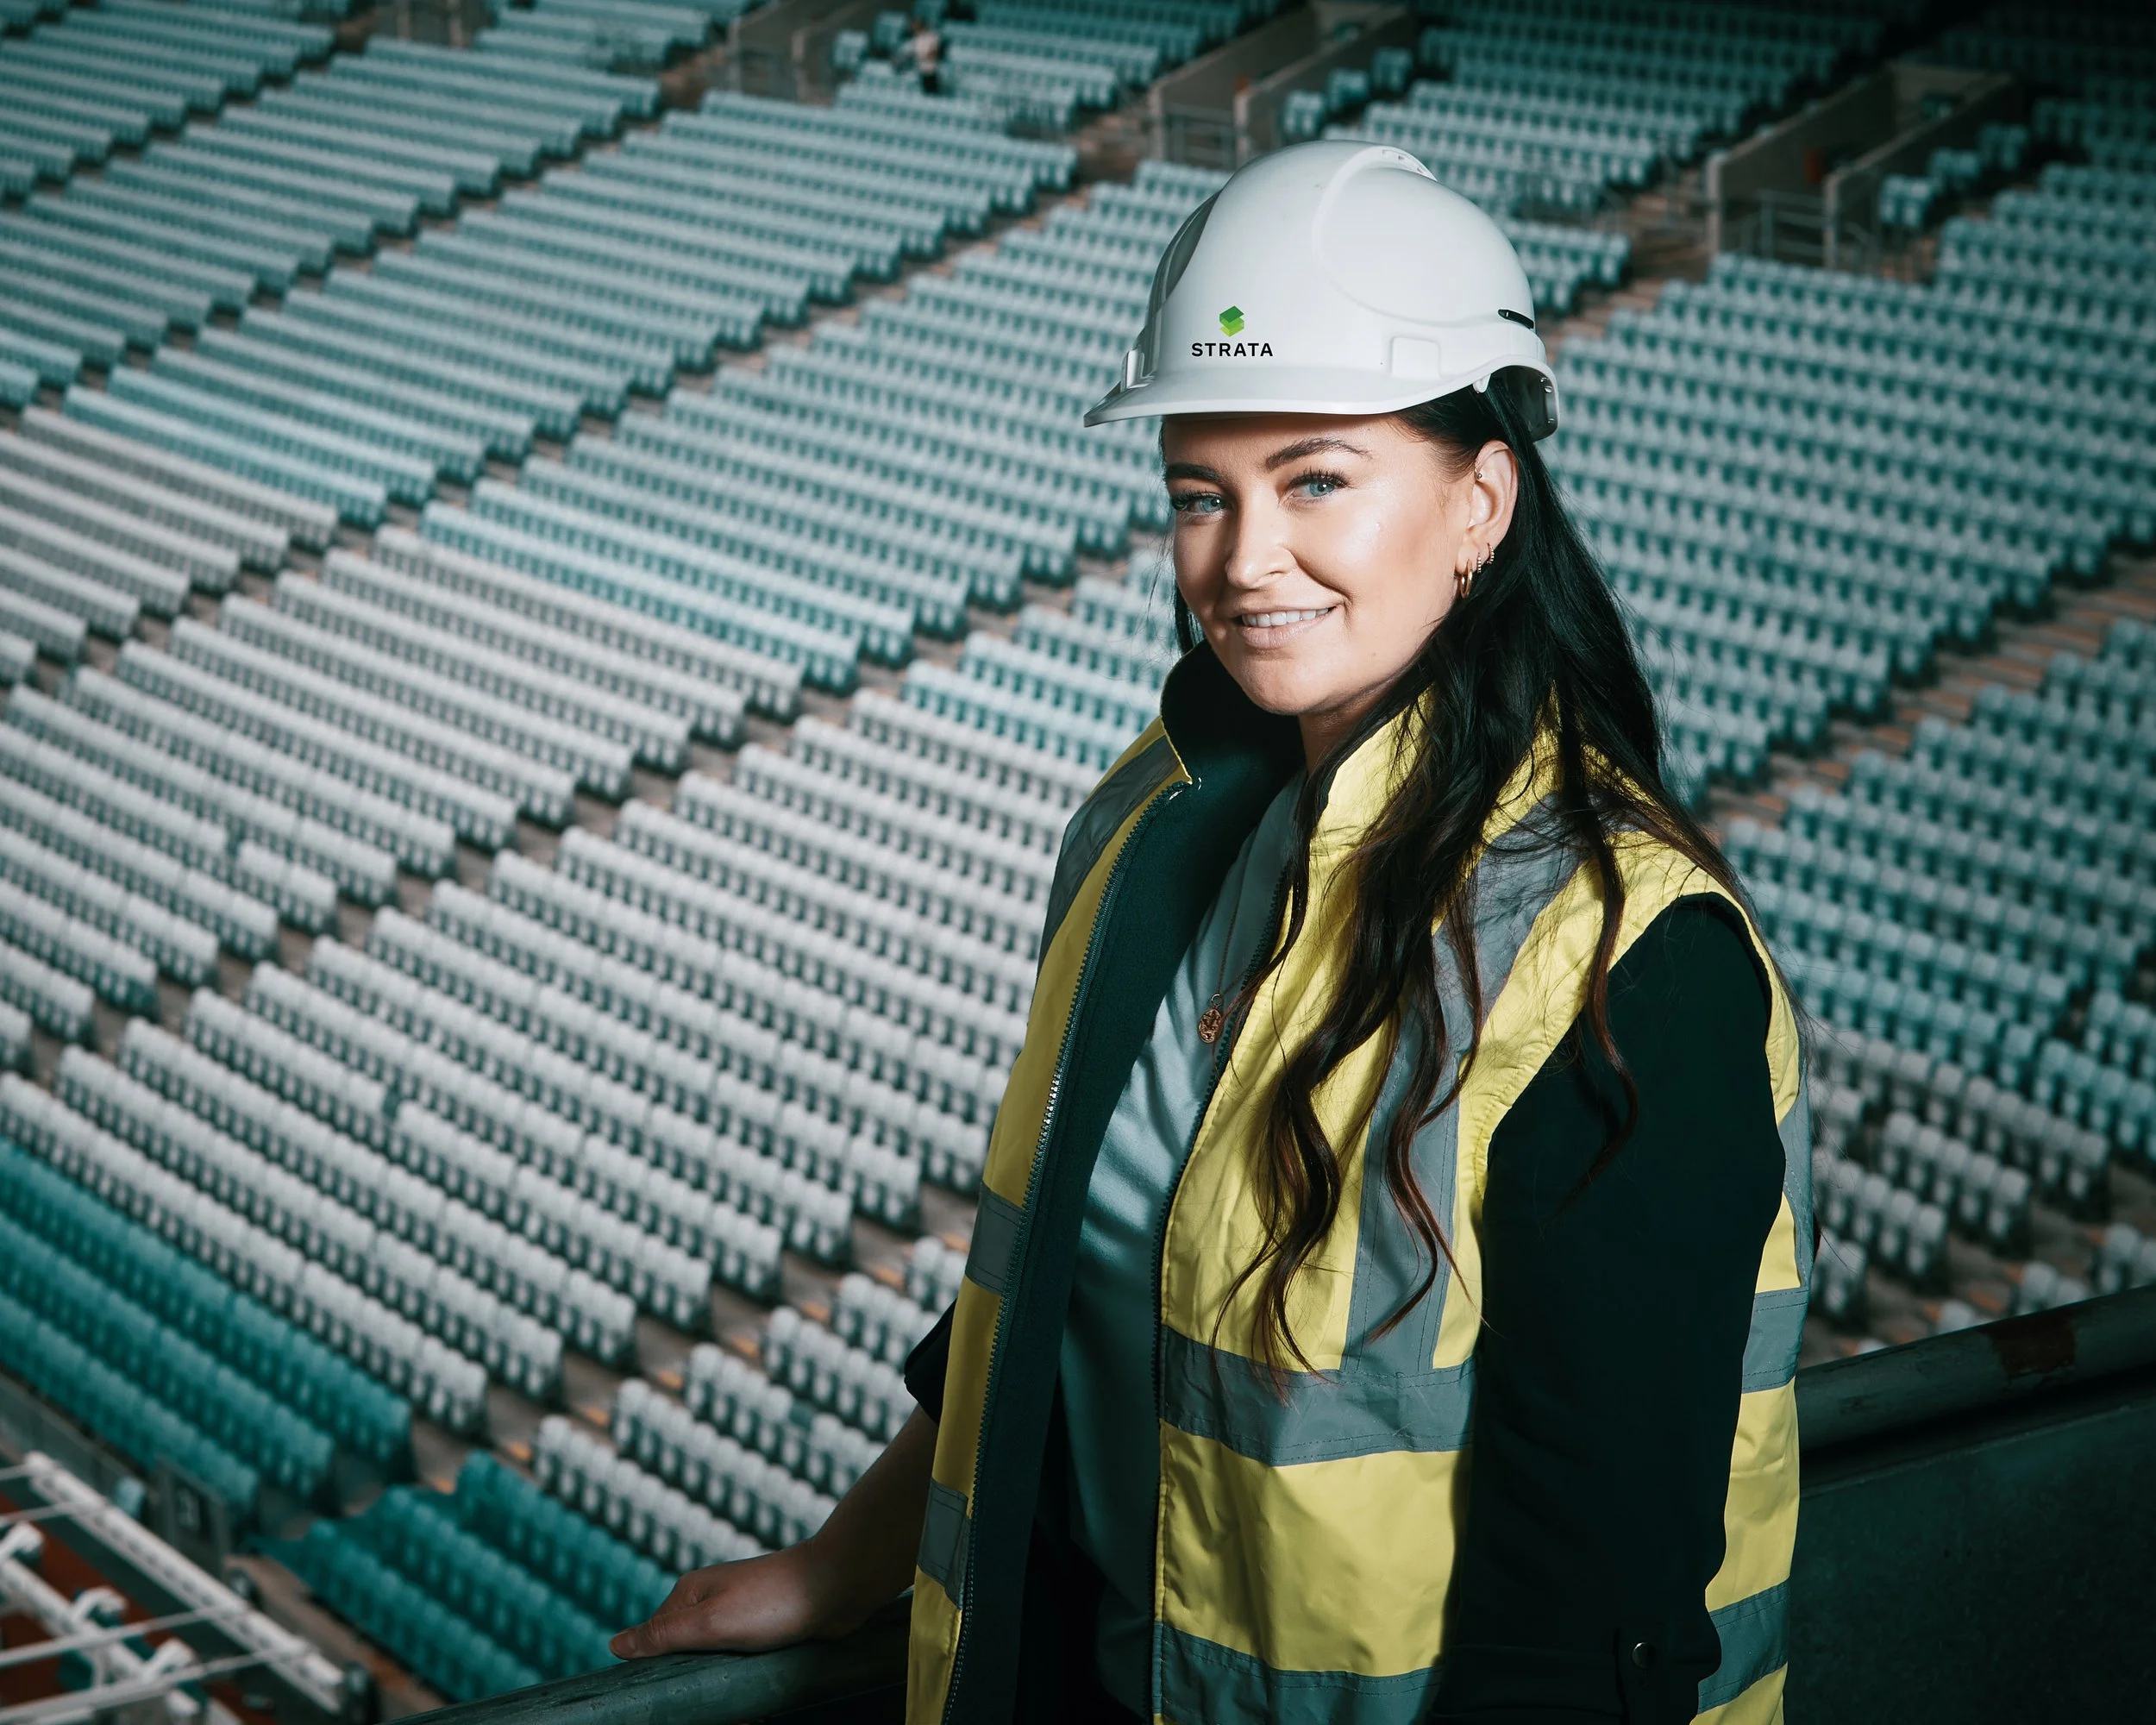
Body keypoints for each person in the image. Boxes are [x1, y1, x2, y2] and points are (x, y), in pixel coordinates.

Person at [611, 141, 1811, 1725]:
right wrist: (847, 1562)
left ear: (1480, 502)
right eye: (1202, 494)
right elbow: (1078, 1285)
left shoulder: (1627, 960)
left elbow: (1584, 1632)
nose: (1243, 561)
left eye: (1316, 478)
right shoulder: (1165, 827)